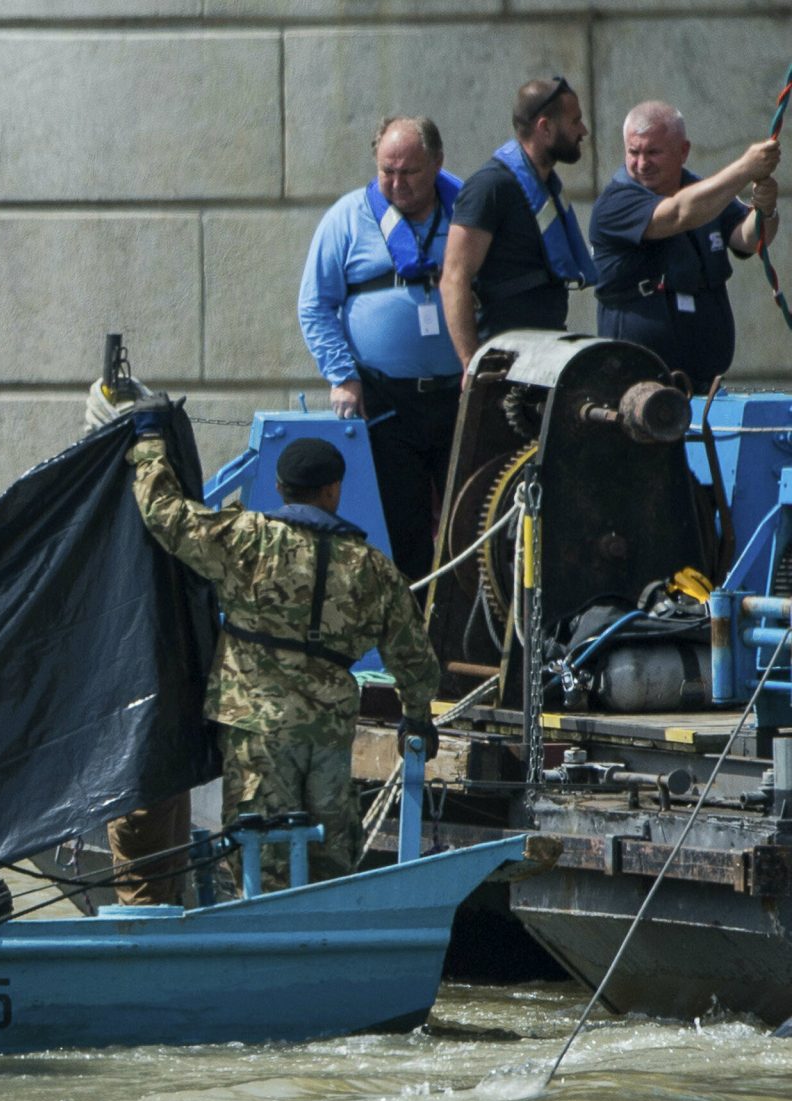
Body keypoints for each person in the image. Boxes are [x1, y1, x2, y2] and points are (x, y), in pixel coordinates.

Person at [127, 421, 442, 895]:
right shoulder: (372, 567)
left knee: (261, 852)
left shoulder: (248, 538)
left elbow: (167, 516)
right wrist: (417, 719)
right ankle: (328, 945)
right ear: (334, 490)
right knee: (331, 858)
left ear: (279, 488)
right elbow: (414, 659)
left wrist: (149, 445)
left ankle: (262, 946)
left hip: (256, 727)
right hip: (328, 732)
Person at [297, 115, 463, 580]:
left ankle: (470, 644)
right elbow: (314, 306)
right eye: (386, 171)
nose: (396, 183)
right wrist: (343, 376)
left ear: (436, 163)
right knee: (405, 533)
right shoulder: (347, 217)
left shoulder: (468, 212)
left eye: (408, 171)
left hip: (461, 396)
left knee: (471, 526)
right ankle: (412, 644)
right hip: (385, 401)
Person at [590, 102, 781, 393]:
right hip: (638, 389)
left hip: (704, 385)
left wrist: (765, 211)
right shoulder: (616, 203)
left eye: (653, 152)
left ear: (683, 151)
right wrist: (745, 169)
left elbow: (749, 238)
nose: (642, 163)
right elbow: (680, 214)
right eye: (634, 152)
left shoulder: (704, 193)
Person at [442, 75, 598, 368]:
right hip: (503, 358)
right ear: (545, 127)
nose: (583, 130)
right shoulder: (490, 187)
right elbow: (454, 277)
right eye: (575, 121)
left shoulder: (546, 186)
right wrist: (470, 362)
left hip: (545, 351)